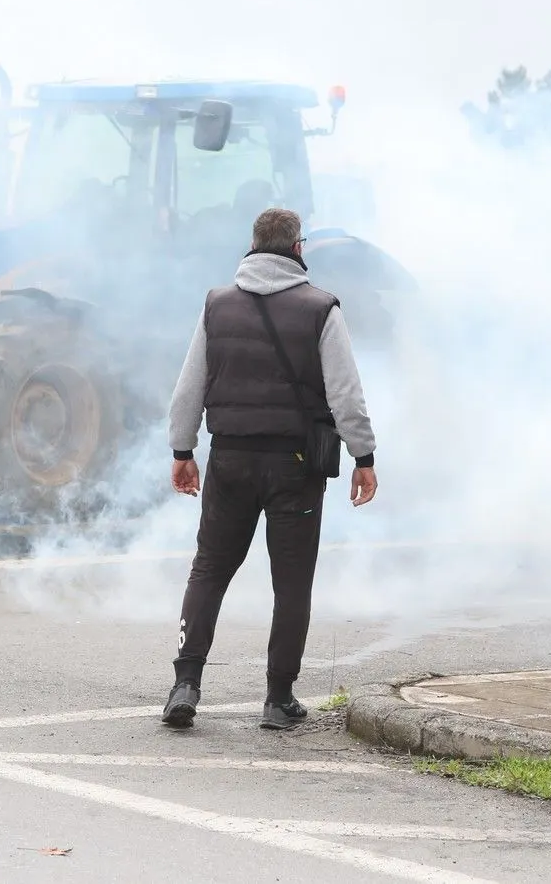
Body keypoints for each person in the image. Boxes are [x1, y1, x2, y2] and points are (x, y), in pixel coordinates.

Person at [161, 207, 378, 731]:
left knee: (209, 568)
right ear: (298, 248)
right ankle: (277, 700)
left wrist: (182, 451)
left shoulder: (216, 306)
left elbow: (189, 388)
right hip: (295, 465)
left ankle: (185, 684)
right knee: (292, 582)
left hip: (230, 459)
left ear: (253, 246)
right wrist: (363, 457)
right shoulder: (321, 309)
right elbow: (345, 393)